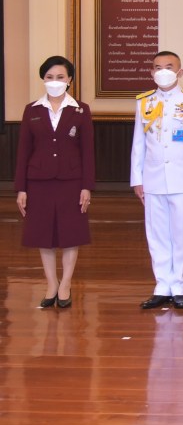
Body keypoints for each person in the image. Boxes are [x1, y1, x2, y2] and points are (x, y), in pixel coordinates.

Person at [131, 51, 183, 310]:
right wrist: (137, 179)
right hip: (153, 180)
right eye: (158, 67)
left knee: (181, 235)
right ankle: (162, 286)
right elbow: (138, 144)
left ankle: (180, 287)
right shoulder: (144, 102)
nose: (163, 71)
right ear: (151, 72)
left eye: (169, 66)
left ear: (180, 72)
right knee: (156, 236)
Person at [14, 56, 95, 309]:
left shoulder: (81, 109)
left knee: (71, 234)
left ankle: (65, 284)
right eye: (49, 77)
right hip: (38, 181)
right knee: (43, 234)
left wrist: (87, 186)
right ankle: (51, 283)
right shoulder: (32, 109)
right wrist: (21, 188)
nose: (55, 81)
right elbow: (23, 151)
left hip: (72, 181)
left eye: (60, 77)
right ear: (43, 79)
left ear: (69, 79)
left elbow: (88, 151)